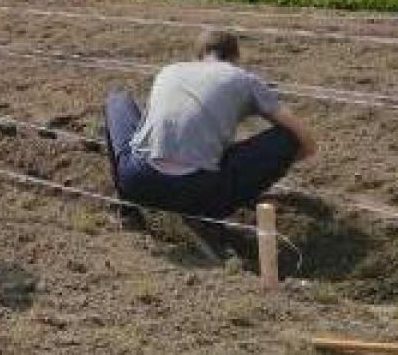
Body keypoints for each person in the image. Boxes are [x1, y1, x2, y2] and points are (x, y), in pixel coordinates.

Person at [102, 29, 317, 252]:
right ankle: (202, 218)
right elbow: (306, 141)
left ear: (199, 56)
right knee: (287, 137)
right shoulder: (242, 78)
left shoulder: (170, 70)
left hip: (139, 182)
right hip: (200, 194)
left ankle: (128, 211)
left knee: (117, 101)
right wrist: (269, 168)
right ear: (235, 58)